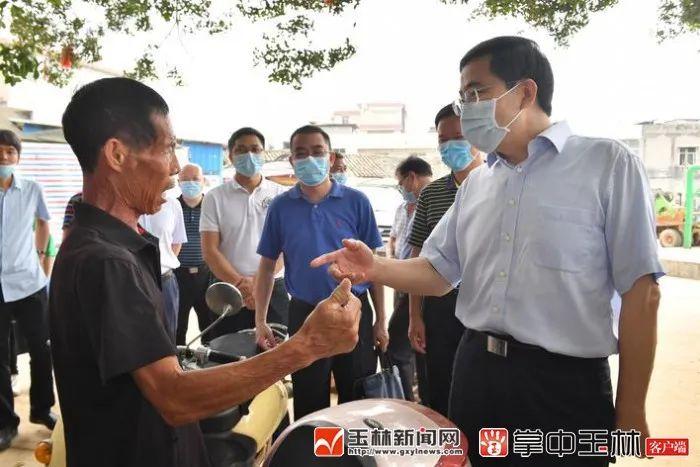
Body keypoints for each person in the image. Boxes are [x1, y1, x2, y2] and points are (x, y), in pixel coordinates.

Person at [312, 36, 663, 466]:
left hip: (562, 384)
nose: (467, 109)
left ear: (525, 92)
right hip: (477, 370)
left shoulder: (606, 164)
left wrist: (631, 407)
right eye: (462, 98)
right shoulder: (478, 183)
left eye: (476, 93)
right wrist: (376, 267)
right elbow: (439, 272)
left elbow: (642, 292)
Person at [50, 77, 363, 467]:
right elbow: (173, 397)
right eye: (168, 148)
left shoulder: (108, 244)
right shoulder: (107, 261)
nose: (175, 167)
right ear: (117, 154)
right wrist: (306, 346)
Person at [254, 125, 388, 420]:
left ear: (331, 158)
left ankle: (354, 449)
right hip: (305, 313)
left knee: (358, 396)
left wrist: (380, 320)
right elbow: (266, 267)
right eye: (301, 153)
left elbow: (375, 267)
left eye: (317, 152)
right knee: (309, 396)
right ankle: (315, 448)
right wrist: (260, 320)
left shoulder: (357, 201)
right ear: (291, 161)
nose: (310, 159)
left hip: (353, 309)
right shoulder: (280, 207)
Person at [406, 104, 483, 417]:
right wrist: (415, 316)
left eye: (460, 136)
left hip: (485, 308)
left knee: (481, 393)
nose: (451, 145)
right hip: (440, 307)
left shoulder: (501, 187)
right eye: (444, 139)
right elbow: (417, 257)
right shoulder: (431, 194)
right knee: (439, 389)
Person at [200, 127, 289, 338]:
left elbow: (286, 247)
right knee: (227, 352)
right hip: (228, 289)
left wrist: (259, 283)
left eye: (255, 149)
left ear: (263, 154)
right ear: (230, 156)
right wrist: (241, 284)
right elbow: (210, 250)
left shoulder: (282, 196)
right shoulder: (214, 197)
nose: (249, 155)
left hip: (273, 288)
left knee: (276, 352)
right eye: (241, 150)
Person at [0, 129, 56, 450]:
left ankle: (41, 409)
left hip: (29, 283)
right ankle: (5, 423)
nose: (4, 157)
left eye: (10, 151)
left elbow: (44, 223)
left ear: (18, 156)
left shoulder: (32, 188)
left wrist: (40, 257)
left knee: (42, 348)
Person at [386, 156, 432, 402]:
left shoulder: (433, 201)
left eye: (401, 182)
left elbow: (420, 253)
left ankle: (408, 402)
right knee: (411, 342)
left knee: (400, 345)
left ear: (412, 177)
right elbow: (395, 240)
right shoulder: (402, 209)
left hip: (424, 285)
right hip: (403, 283)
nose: (401, 188)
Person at [174, 163, 215, 345]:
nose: (191, 183)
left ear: (203, 181)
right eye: (185, 179)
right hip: (178, 277)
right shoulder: (172, 207)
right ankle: (178, 362)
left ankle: (210, 360)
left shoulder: (213, 207)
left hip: (207, 275)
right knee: (177, 327)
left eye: (195, 179)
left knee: (210, 326)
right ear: (178, 182)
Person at [139, 194, 187, 341]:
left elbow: (177, 241)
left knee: (167, 336)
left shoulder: (173, 204)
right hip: (133, 280)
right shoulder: (124, 202)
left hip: (164, 281)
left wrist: (162, 264)